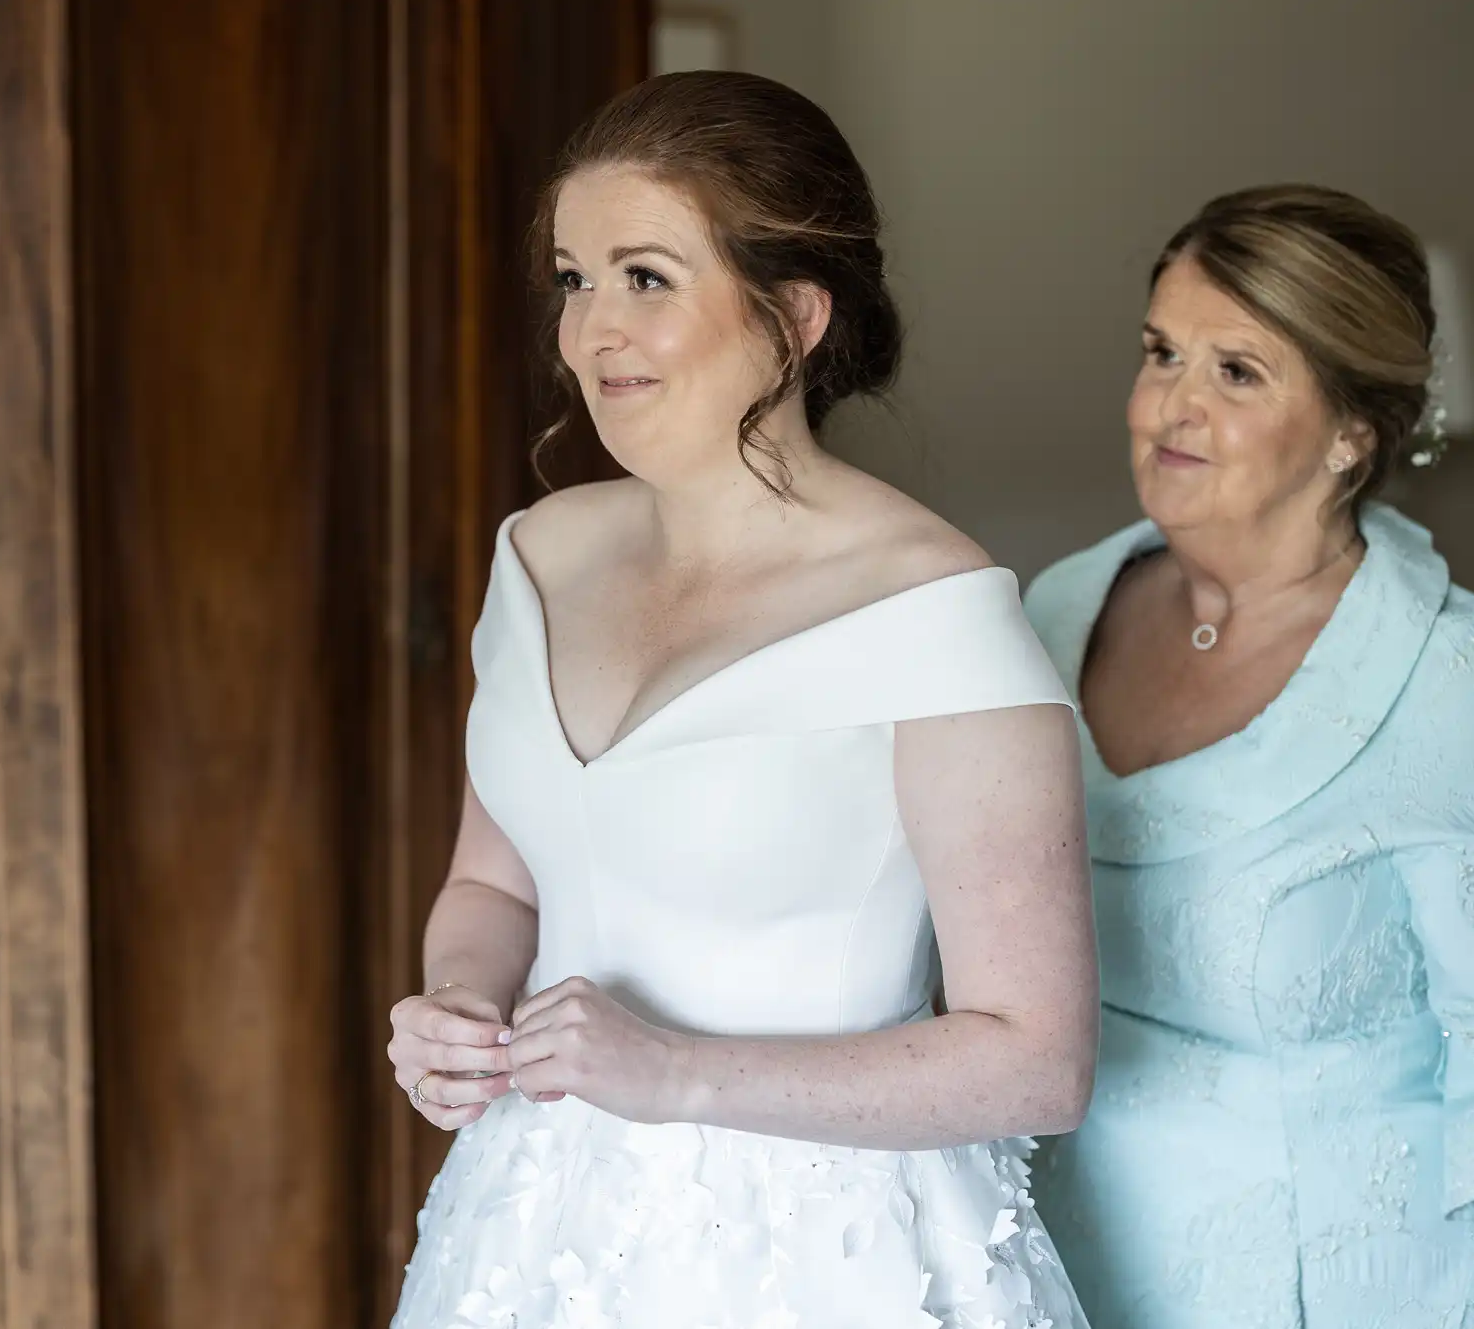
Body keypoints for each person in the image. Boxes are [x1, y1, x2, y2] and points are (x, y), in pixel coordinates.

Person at [386, 71, 1096, 1329]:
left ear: (795, 316)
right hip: (533, 1231)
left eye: (645, 278)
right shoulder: (541, 557)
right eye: (572, 278)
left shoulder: (935, 617)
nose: (590, 330)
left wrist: (673, 1073)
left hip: (824, 1256)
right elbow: (493, 886)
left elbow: (1035, 1057)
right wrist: (459, 1005)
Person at [1025, 184, 1474, 1329]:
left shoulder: (1453, 689)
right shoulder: (1052, 613)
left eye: (1236, 372)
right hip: (1057, 1273)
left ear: (1350, 434)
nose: (1170, 405)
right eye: (1160, 351)